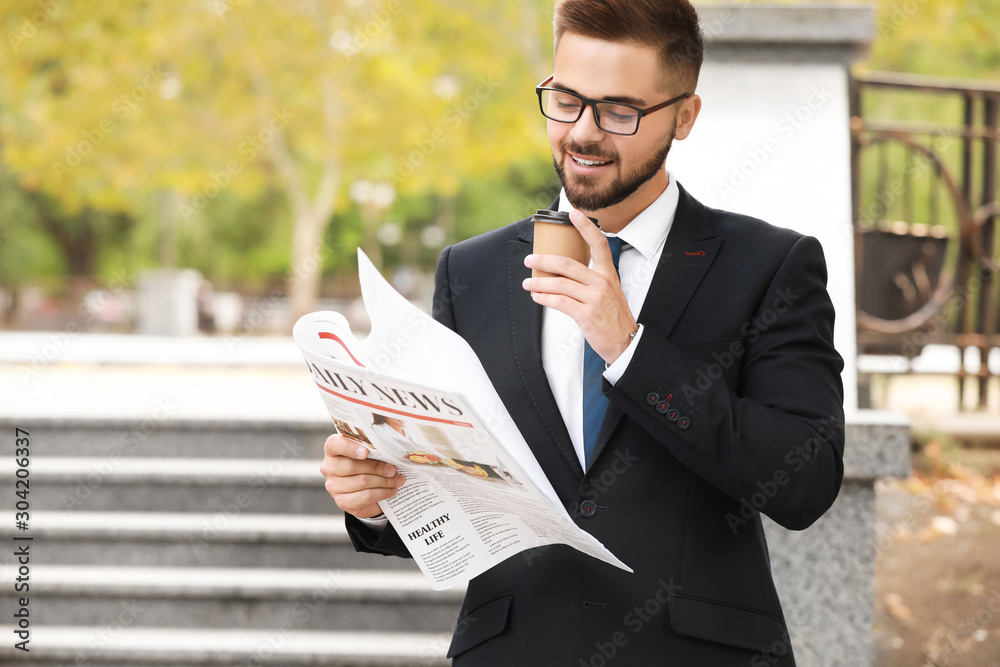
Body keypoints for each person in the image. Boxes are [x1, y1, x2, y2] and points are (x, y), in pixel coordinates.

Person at [320, 0, 845, 664]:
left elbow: (805, 482)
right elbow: (457, 490)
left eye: (619, 111)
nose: (583, 133)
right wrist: (376, 498)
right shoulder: (472, 270)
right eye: (565, 100)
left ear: (685, 115)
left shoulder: (771, 266)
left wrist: (631, 350)